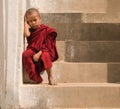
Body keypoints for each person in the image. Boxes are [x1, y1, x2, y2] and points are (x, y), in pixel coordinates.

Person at [22, 8, 59, 85]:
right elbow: (27, 34)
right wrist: (25, 21)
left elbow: (48, 46)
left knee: (45, 55)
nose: (33, 23)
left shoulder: (46, 30)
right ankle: (36, 77)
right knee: (25, 54)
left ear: (40, 19)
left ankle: (50, 77)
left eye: (35, 20)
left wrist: (39, 53)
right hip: (32, 50)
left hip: (43, 50)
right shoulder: (31, 31)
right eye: (30, 21)